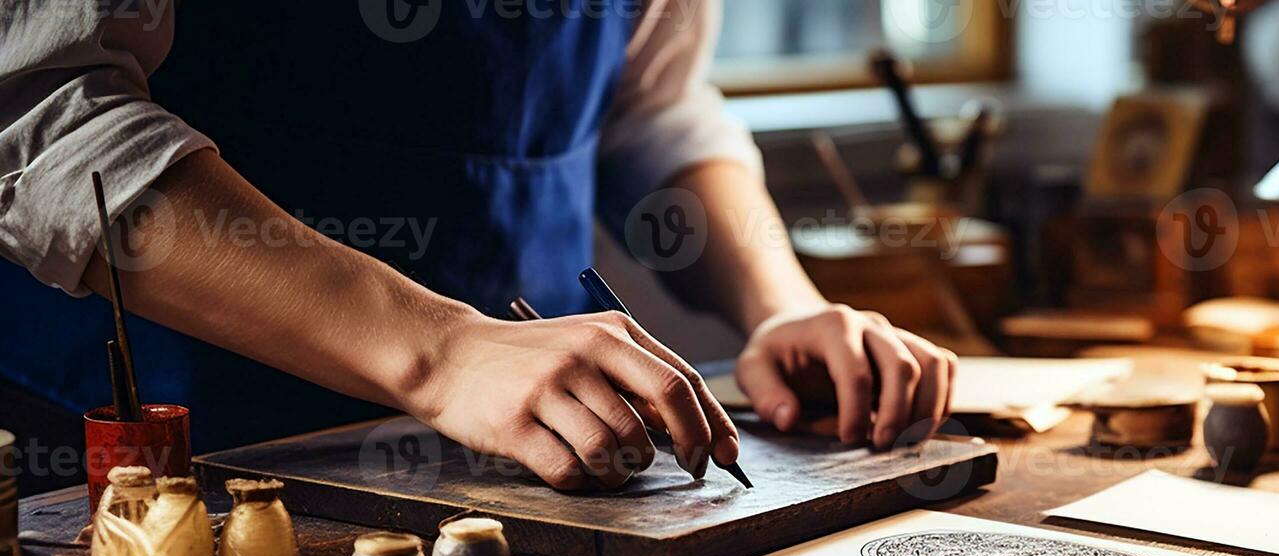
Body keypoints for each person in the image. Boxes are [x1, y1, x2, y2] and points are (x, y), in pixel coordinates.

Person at [0, 1, 957, 489]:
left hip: (541, 458)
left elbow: (650, 112)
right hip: (164, 468)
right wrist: (445, 352)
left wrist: (780, 305)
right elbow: (41, 110)